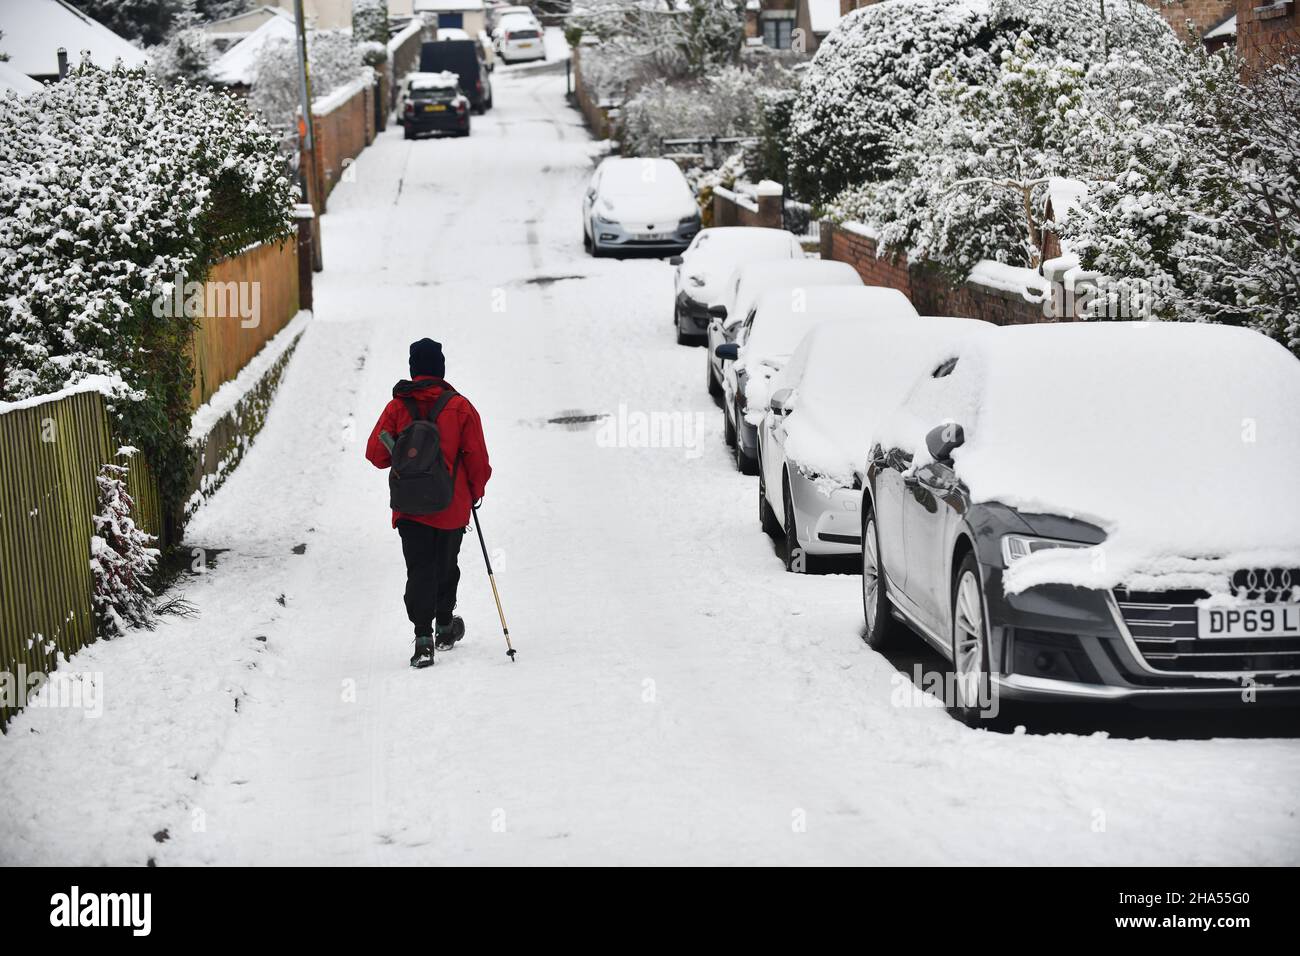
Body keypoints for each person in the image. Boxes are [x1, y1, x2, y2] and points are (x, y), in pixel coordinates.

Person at [366, 338, 491, 666]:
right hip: (450, 505)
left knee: (419, 568)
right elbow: (476, 456)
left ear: (413, 369)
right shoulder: (459, 406)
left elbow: (375, 455)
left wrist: (401, 452)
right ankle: (445, 626)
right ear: (440, 368)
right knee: (446, 566)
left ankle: (423, 639)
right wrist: (475, 491)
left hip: (409, 506)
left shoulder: (396, 407)